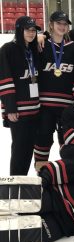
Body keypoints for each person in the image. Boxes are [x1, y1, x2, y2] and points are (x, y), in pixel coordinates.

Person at [34, 11, 74, 162]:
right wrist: (39, 36)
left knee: (67, 141)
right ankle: (42, 174)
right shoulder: (41, 46)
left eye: (65, 24)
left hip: (66, 106)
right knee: (43, 140)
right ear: (51, 24)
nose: (62, 27)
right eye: (59, 23)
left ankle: (67, 175)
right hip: (44, 106)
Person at [0, 16, 41, 175]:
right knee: (19, 150)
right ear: (19, 30)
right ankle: (16, 183)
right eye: (27, 30)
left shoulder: (34, 49)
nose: (31, 33)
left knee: (29, 149)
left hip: (35, 110)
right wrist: (10, 108)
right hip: (18, 112)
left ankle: (23, 182)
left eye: (33, 30)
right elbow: (5, 80)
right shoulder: (7, 50)